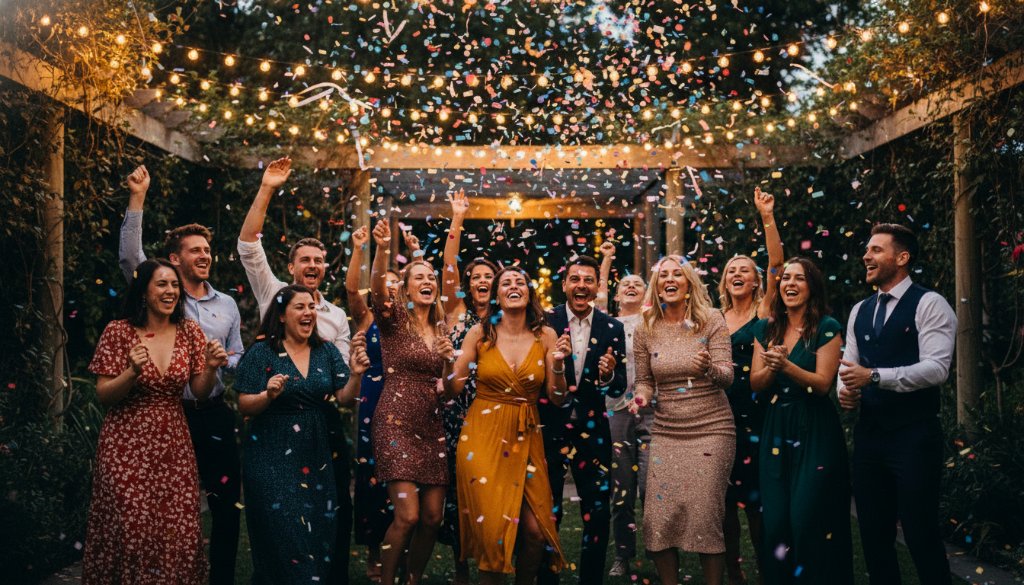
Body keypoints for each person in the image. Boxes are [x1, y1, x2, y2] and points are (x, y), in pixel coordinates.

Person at [118, 165, 244, 585]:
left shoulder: (226, 304)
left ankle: (221, 579)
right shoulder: (163, 294)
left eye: (207, 250)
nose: (205, 255)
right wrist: (137, 198)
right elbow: (129, 259)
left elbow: (239, 351)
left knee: (226, 506)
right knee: (170, 507)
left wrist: (228, 361)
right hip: (172, 416)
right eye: (195, 250)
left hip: (213, 413)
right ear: (174, 259)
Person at [238, 156, 353, 584]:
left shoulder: (337, 316)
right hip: (276, 428)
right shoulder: (274, 294)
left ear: (325, 268)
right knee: (282, 525)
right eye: (304, 259)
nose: (311, 266)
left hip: (323, 426)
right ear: (291, 267)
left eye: (318, 261)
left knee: (330, 513)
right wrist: (268, 186)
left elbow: (342, 379)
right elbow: (249, 244)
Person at [84, 258, 228, 584]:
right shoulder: (118, 332)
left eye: (175, 285)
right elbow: (104, 394)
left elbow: (199, 392)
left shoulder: (190, 331)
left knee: (174, 529)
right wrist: (131, 373)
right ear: (144, 291)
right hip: (126, 444)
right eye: (162, 284)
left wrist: (210, 368)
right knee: (132, 526)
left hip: (172, 443)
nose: (170, 291)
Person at [838, 223, 957, 585]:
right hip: (870, 437)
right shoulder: (860, 310)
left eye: (876, 250)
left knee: (921, 534)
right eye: (867, 250)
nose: (866, 256)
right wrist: (847, 391)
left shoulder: (930, 303)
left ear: (901, 258)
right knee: (874, 536)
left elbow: (936, 369)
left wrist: (874, 377)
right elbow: (850, 367)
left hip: (914, 436)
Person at [441, 266, 570, 584]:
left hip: (527, 435)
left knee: (535, 532)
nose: (514, 286)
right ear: (497, 295)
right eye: (506, 283)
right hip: (483, 436)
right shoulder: (480, 334)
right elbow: (452, 389)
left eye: (520, 282)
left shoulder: (547, 336)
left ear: (529, 292)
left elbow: (557, 397)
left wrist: (558, 365)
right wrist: (447, 363)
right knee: (495, 533)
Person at [235, 284, 364, 584]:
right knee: (285, 532)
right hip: (271, 456)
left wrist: (356, 374)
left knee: (317, 532)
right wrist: (267, 395)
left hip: (316, 456)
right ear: (281, 315)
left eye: (311, 308)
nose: (308, 313)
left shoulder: (326, 350)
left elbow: (344, 397)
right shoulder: (261, 353)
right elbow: (243, 404)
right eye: (300, 307)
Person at [627, 255, 735, 585]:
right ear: (656, 286)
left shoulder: (712, 320)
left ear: (689, 284)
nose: (670, 280)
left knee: (704, 516)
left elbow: (727, 375)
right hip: (667, 431)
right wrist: (641, 396)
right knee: (656, 520)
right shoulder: (645, 327)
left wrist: (708, 369)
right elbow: (644, 379)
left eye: (678, 274)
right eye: (663, 276)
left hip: (711, 429)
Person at [750, 257, 852, 585]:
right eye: (785, 279)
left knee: (806, 518)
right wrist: (770, 367)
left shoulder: (827, 327)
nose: (790, 284)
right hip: (776, 428)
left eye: (799, 279)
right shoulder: (765, 328)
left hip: (814, 428)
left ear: (812, 287)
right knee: (777, 522)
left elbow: (822, 385)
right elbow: (756, 382)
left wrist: (786, 366)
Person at [369, 219, 452, 585]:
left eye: (431, 277)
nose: (427, 281)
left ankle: (412, 578)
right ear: (405, 288)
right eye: (419, 276)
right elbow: (375, 291)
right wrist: (382, 249)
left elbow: (448, 390)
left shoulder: (443, 328)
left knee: (433, 517)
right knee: (408, 516)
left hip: (431, 424)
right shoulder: (394, 320)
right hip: (395, 421)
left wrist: (449, 362)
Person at [539, 254, 626, 585]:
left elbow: (618, 385)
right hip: (551, 426)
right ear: (564, 285)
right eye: (575, 279)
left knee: (598, 510)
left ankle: (591, 579)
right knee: (550, 510)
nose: (581, 285)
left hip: (593, 432)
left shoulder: (612, 327)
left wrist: (608, 375)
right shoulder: (545, 323)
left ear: (598, 286)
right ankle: (547, 578)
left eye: (588, 280)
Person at [717, 187, 784, 584]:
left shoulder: (764, 310)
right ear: (724, 282)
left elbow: (777, 261)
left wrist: (766, 216)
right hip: (718, 418)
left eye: (745, 270)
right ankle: (733, 573)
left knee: (756, 504)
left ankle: (764, 571)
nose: (737, 274)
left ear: (758, 281)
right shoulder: (713, 317)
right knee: (724, 503)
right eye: (731, 271)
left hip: (758, 416)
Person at [440, 190, 499, 585]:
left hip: (495, 416)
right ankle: (462, 565)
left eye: (487, 277)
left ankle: (491, 559)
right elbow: (447, 266)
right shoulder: (457, 312)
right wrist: (457, 218)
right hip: (456, 416)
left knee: (490, 492)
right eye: (475, 277)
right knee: (458, 494)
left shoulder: (505, 319)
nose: (480, 281)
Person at [345, 225, 406, 583]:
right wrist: (360, 249)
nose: (392, 288)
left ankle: (401, 546)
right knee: (372, 475)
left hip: (407, 397)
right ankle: (372, 550)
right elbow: (353, 289)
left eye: (399, 284)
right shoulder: (368, 318)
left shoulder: (413, 321)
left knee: (404, 474)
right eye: (388, 282)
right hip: (373, 397)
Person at [596, 241, 654, 578]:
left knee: (650, 485)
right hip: (616, 410)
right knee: (621, 489)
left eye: (637, 284)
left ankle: (660, 549)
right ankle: (622, 555)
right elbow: (600, 293)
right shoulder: (608, 322)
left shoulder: (652, 321)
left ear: (646, 294)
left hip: (653, 409)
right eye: (625, 284)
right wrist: (606, 260)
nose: (630, 286)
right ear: (617, 296)